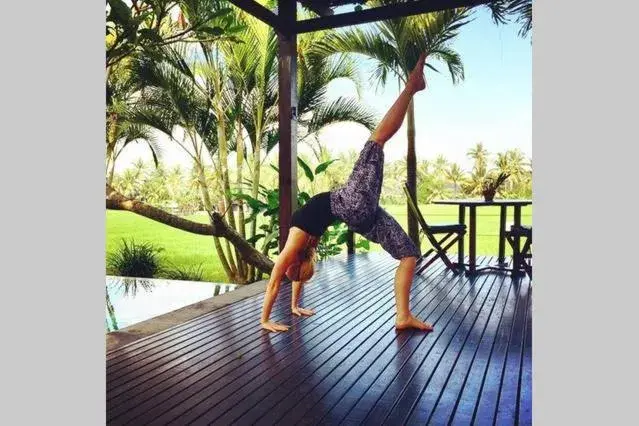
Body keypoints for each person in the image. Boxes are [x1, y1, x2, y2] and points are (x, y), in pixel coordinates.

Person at [260, 53, 432, 333]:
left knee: (408, 252)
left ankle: (403, 316)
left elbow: (291, 279)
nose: (293, 274)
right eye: (295, 272)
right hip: (350, 203)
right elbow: (273, 282)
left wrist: (293, 307)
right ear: (296, 264)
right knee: (376, 141)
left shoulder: (301, 249)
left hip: (360, 216)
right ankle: (411, 87)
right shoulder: (295, 245)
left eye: (296, 274)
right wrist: (264, 320)